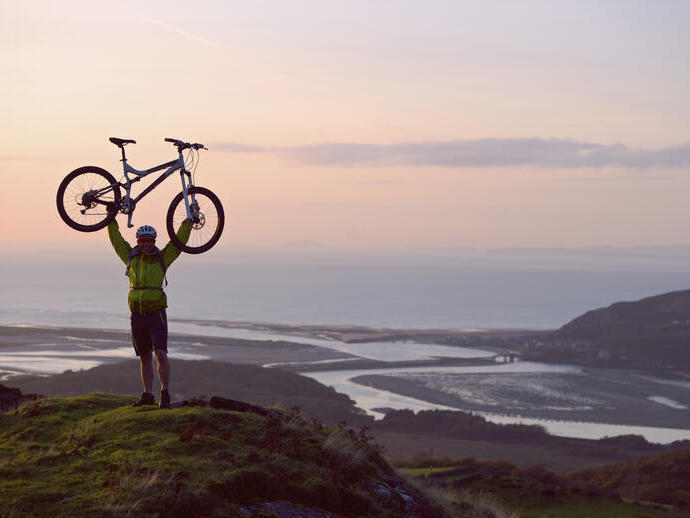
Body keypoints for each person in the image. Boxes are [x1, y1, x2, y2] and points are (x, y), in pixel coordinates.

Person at [107, 219, 191, 408]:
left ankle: (165, 392)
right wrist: (110, 219)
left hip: (156, 312)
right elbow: (116, 240)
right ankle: (147, 394)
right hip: (137, 313)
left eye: (149, 241)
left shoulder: (163, 257)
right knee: (144, 357)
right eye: (142, 241)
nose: (145, 244)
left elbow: (178, 242)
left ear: (154, 241)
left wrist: (188, 222)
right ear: (137, 242)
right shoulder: (130, 256)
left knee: (160, 354)